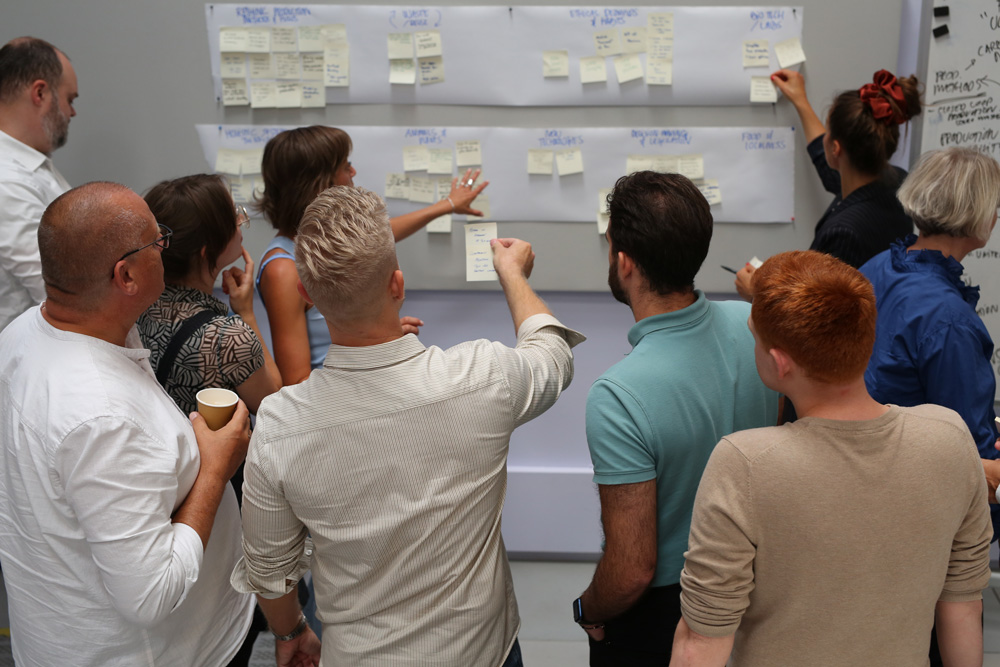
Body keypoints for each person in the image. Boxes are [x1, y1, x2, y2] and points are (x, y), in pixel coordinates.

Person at [231, 185, 583, 666]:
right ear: (397, 285)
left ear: (306, 296)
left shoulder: (280, 425)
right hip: (483, 654)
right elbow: (552, 354)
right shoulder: (480, 377)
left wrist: (291, 631)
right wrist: (512, 273)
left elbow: (270, 572)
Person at [672, 250, 992, 667]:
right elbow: (963, 609)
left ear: (778, 361)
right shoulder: (949, 438)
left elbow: (701, 642)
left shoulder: (745, 464)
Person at [0, 182, 254, 666]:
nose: (167, 247)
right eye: (158, 240)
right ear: (127, 275)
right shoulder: (101, 416)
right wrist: (215, 471)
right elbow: (150, 595)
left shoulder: (23, 332)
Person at [574, 171, 778, 666]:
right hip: (757, 589)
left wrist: (588, 610)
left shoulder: (619, 396)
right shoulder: (755, 328)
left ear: (623, 263)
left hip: (667, 612)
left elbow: (632, 571)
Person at [255, 125, 488, 385]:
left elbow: (383, 233)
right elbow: (297, 382)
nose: (353, 172)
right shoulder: (283, 270)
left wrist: (448, 205)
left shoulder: (326, 240)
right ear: (321, 184)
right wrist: (373, 346)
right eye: (346, 166)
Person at [861, 148, 1000, 526]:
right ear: (977, 213)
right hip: (917, 504)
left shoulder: (878, 266)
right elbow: (966, 445)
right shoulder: (950, 321)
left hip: (868, 478)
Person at [735, 68, 921, 299]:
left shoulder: (844, 234)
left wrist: (758, 293)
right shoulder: (896, 182)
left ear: (836, 149)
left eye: (828, 131)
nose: (823, 136)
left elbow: (820, 318)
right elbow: (831, 170)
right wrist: (801, 102)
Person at [138, 174, 281, 416]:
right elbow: (274, 402)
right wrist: (246, 312)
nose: (240, 219)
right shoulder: (229, 339)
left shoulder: (134, 311)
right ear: (208, 251)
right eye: (232, 217)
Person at [0, 37, 78, 331]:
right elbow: (58, 293)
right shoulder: (7, 180)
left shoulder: (32, 167)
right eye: (70, 99)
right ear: (41, 93)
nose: (72, 113)